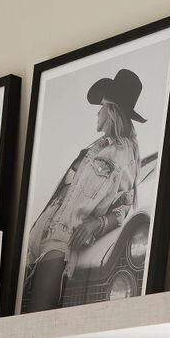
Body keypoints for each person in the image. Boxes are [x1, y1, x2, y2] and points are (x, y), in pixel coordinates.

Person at [23, 67, 144, 312]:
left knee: (38, 321)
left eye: (101, 106)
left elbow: (126, 205)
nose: (97, 112)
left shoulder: (124, 153)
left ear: (110, 110)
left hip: (62, 239)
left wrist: (96, 224)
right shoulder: (96, 148)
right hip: (40, 234)